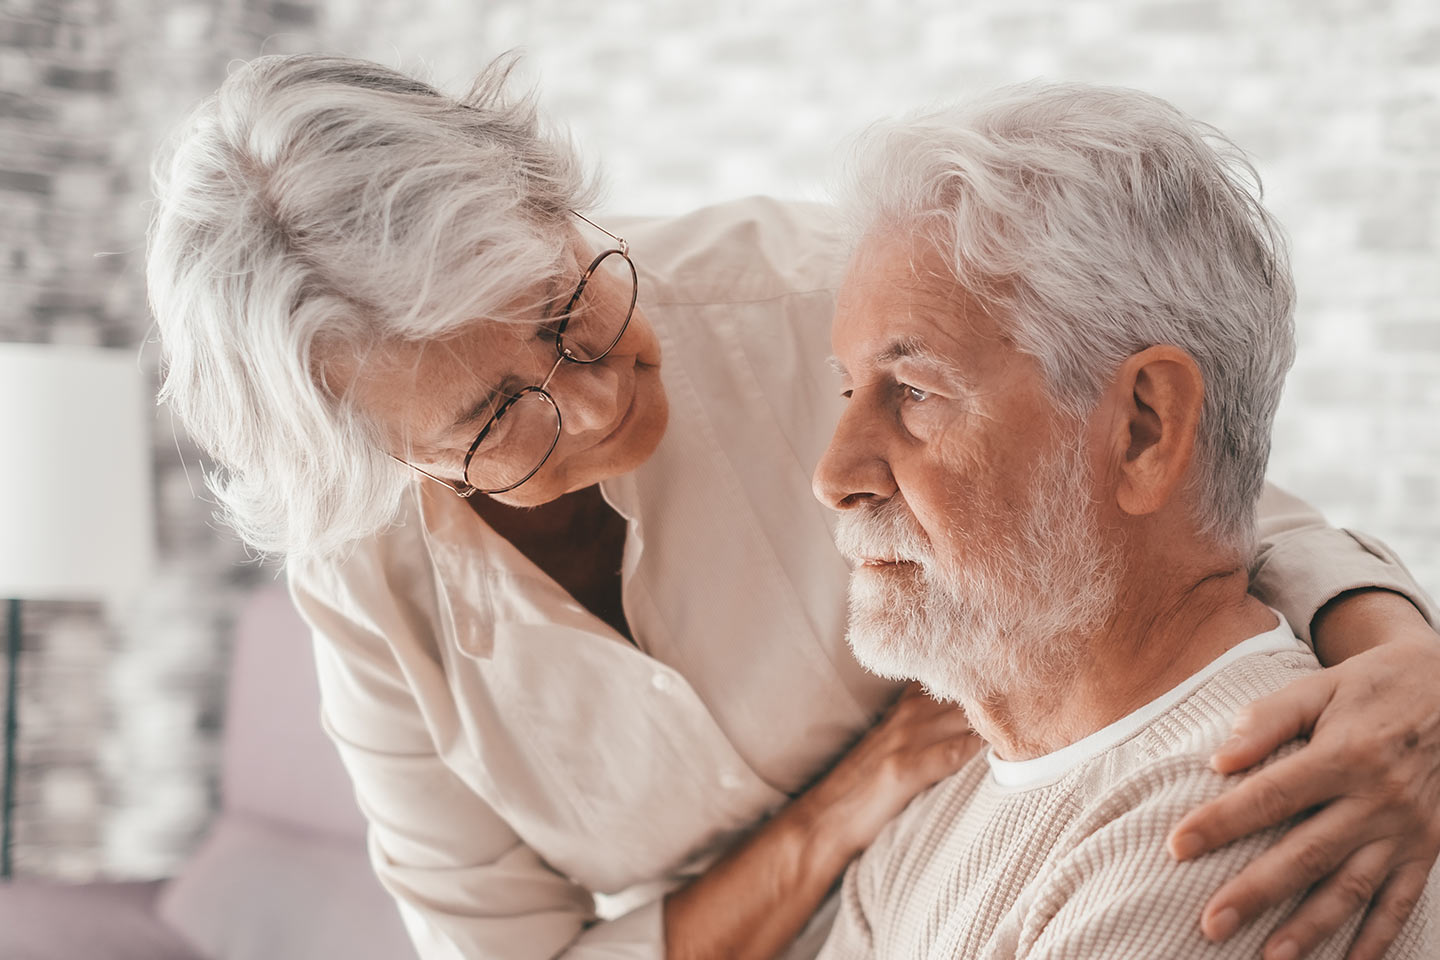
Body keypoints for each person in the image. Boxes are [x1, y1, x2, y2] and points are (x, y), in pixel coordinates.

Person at [146, 54, 1440, 960]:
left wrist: (1412, 666)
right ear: (393, 459)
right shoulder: (370, 572)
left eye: (566, 311)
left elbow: (1172, 482)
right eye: (491, 420)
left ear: (554, 202)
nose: (593, 409)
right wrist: (840, 814)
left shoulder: (809, 293)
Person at [811, 82, 1438, 960]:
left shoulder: (1253, 806)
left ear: (1145, 427)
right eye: (849, 390)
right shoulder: (922, 836)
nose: (835, 476)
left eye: (915, 393)